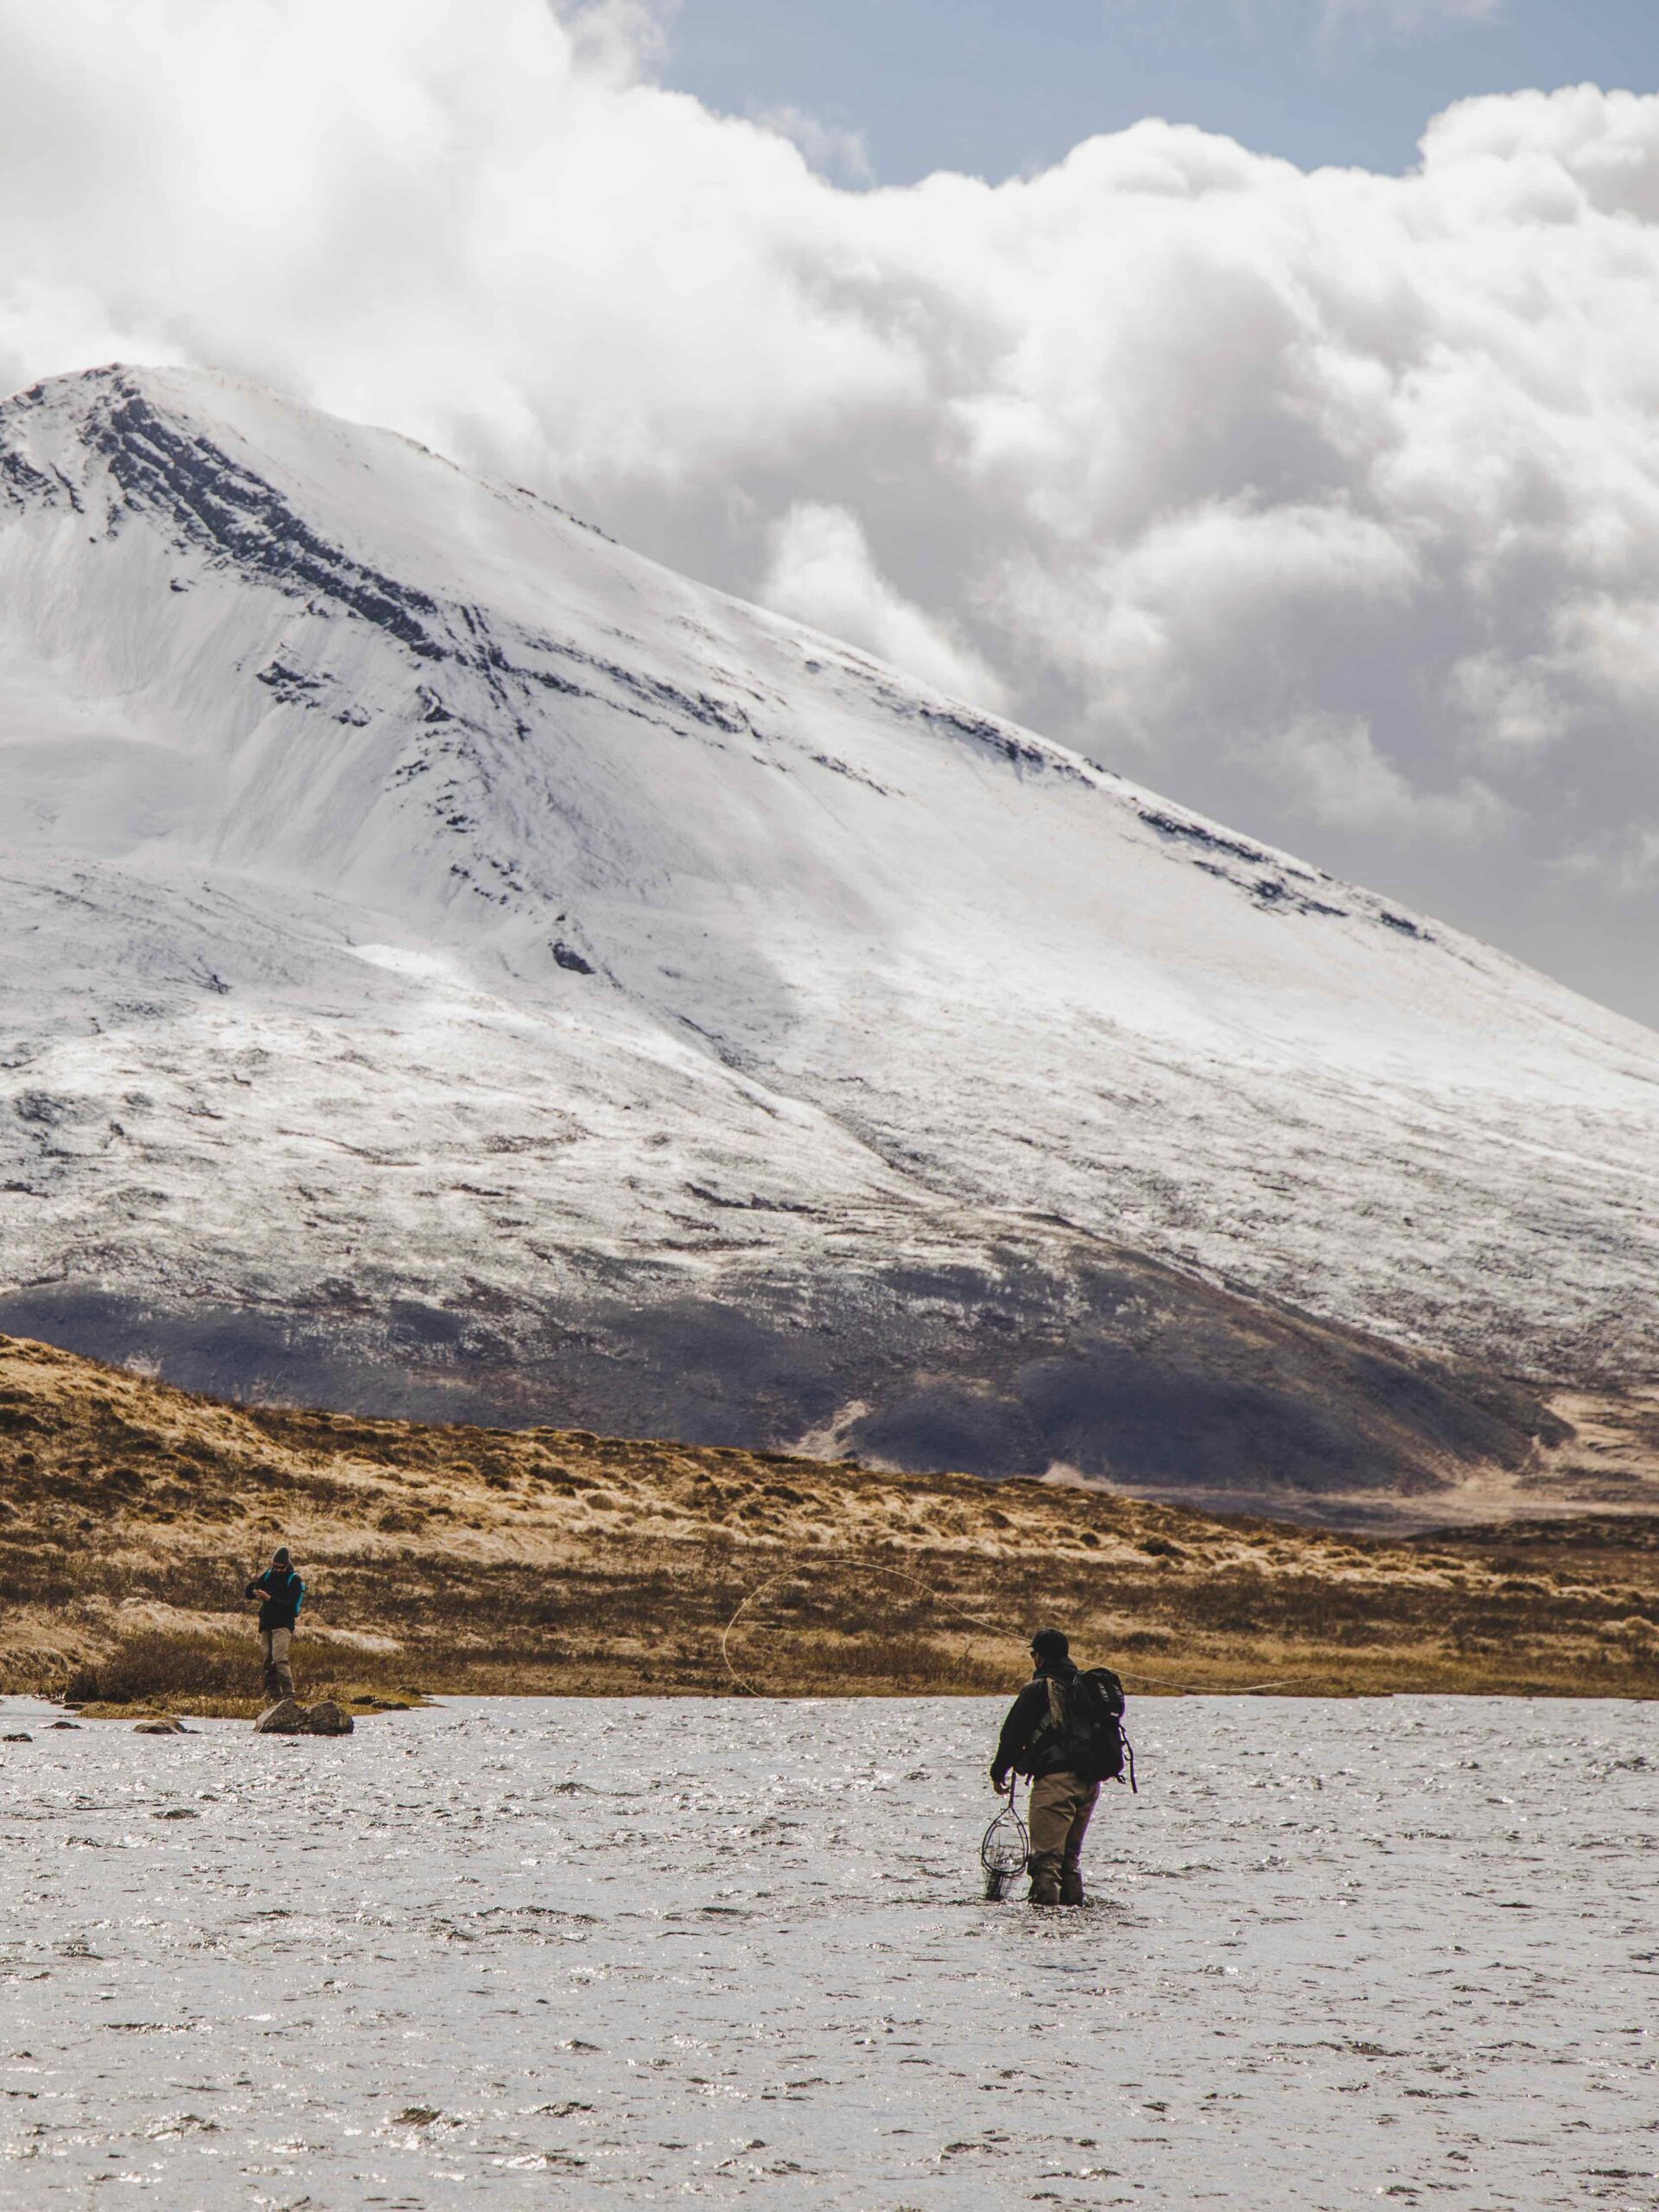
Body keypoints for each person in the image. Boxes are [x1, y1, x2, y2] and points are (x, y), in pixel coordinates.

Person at [989, 1627, 1097, 1907]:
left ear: (1039, 1657)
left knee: (1046, 1861)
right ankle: (1073, 1916)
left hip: (1055, 1783)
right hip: (1090, 1783)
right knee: (1069, 1860)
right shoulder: (1084, 1685)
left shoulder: (1038, 1688)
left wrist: (998, 1772)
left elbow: (1012, 1735)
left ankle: (1045, 1926)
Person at [245, 1546, 306, 1701]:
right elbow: (249, 1595)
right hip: (266, 1623)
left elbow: (290, 1605)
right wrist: (253, 1583)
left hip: (283, 1625)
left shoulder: (295, 1580)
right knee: (267, 1660)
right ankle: (273, 1694)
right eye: (275, 1566)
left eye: (280, 1567)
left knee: (279, 1658)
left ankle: (289, 1694)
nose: (277, 1569)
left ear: (286, 1564)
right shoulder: (268, 1575)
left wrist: (270, 1599)